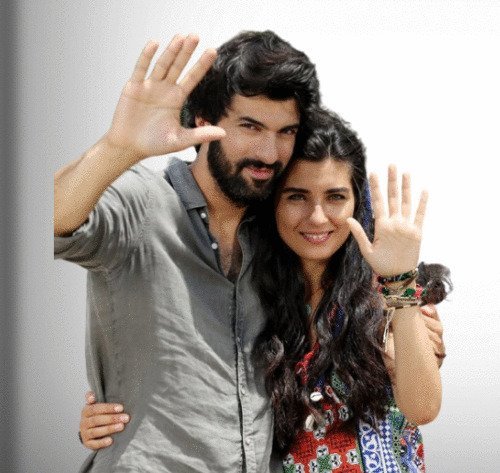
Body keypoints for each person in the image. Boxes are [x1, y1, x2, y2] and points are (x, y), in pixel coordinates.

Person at [77, 109, 450, 472]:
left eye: (335, 197)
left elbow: (423, 408)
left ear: (357, 202)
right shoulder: (255, 298)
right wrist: (117, 415)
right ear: (271, 202)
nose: (317, 217)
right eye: (296, 196)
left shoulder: (389, 294)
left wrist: (400, 282)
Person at [54, 30, 320, 472]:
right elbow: (49, 219)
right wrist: (116, 149)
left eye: (285, 132)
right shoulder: (141, 203)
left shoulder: (277, 233)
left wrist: (409, 307)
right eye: (250, 127)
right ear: (202, 119)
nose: (269, 153)